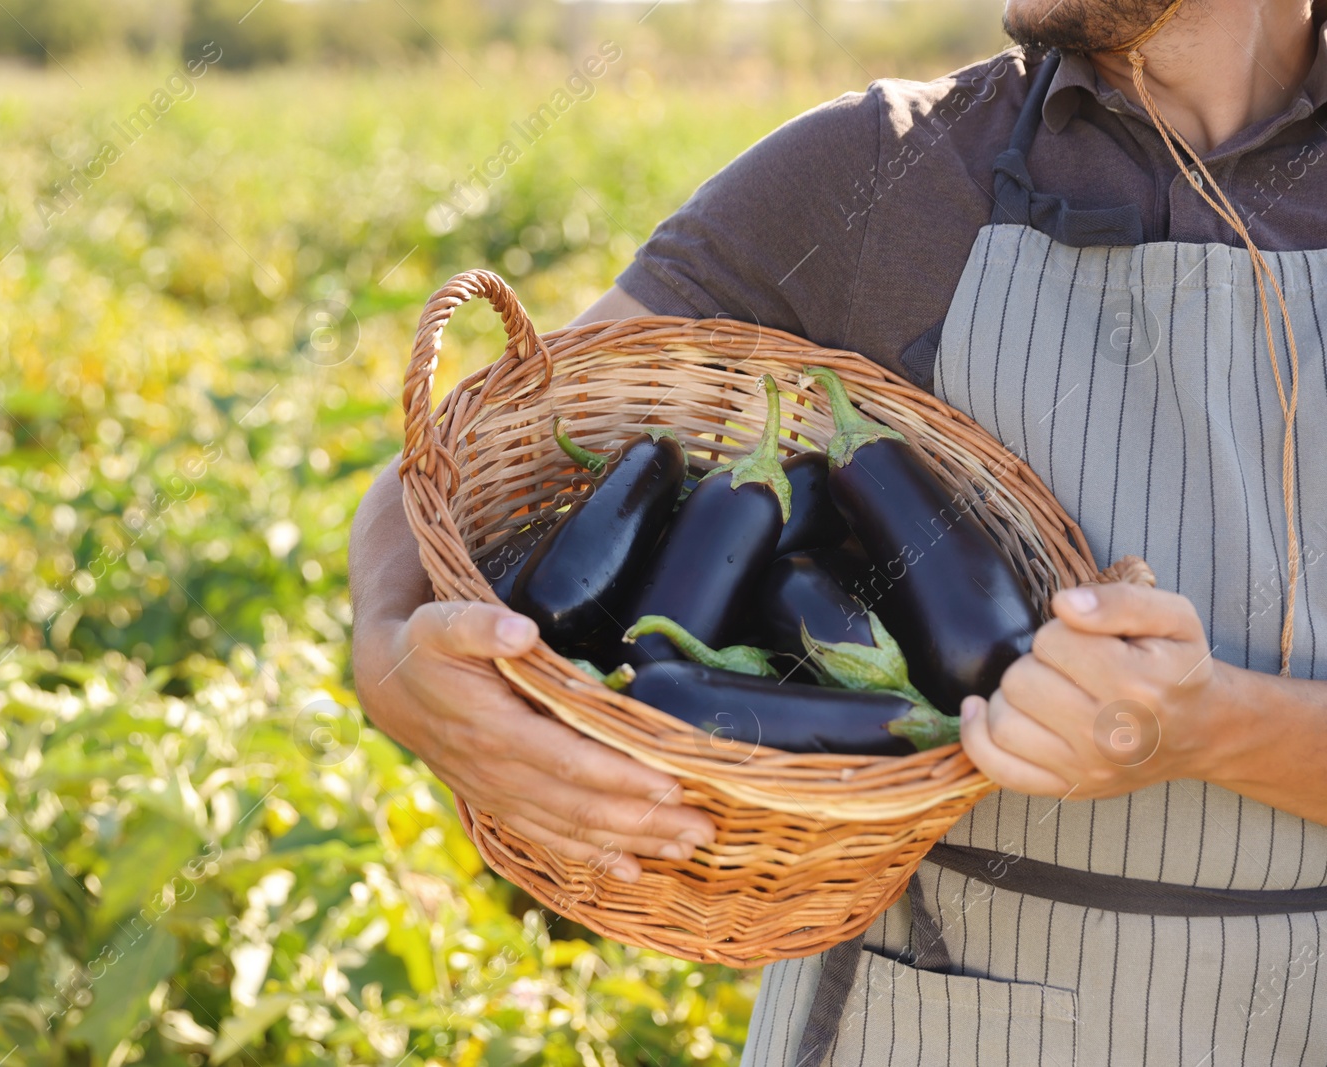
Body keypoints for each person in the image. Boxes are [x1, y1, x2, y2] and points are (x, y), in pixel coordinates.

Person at [349, 0, 1327, 1061]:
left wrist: (1214, 724)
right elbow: (445, 467)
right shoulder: (882, 170)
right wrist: (389, 664)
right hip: (927, 1026)